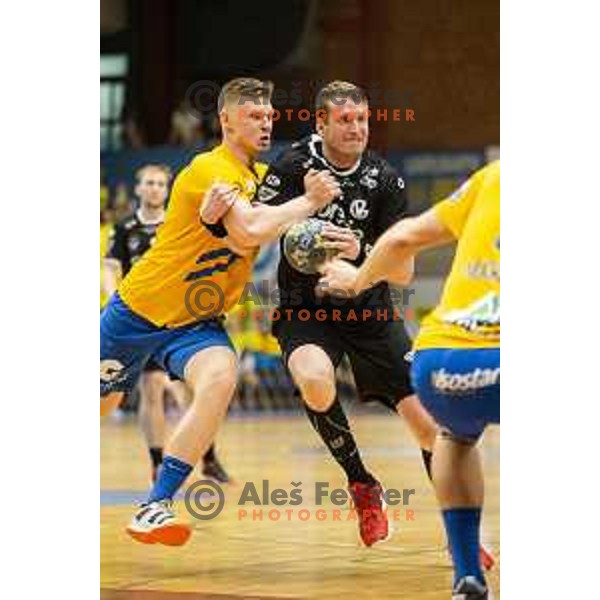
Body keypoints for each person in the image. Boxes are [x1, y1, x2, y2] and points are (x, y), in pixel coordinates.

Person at [100, 77, 341, 546]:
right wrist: (309, 200)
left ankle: (156, 503)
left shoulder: (255, 181)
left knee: (221, 376)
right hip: (140, 311)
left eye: (270, 116)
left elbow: (240, 236)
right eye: (254, 115)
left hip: (195, 321)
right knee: (101, 404)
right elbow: (249, 230)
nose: (266, 123)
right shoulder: (207, 167)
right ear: (226, 120)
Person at [203, 80, 440, 548]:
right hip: (304, 310)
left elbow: (405, 271)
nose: (356, 129)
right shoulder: (293, 166)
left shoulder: (385, 179)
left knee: (430, 428)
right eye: (345, 120)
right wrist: (223, 219)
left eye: (363, 120)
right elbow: (247, 234)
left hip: (370, 310)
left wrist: (363, 251)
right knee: (313, 379)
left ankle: (461, 528)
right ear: (322, 123)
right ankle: (362, 485)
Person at [319, 161, 500, 600]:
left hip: (440, 362)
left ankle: (467, 574)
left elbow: (401, 238)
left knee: (455, 438)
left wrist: (357, 279)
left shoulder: (494, 176)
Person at [103, 163, 230, 484]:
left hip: (180, 319)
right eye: (150, 182)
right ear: (138, 188)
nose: (156, 188)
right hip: (142, 320)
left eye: (161, 183)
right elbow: (109, 267)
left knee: (191, 391)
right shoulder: (125, 228)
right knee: (153, 388)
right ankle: (157, 462)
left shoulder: (180, 222)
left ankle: (209, 457)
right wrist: (116, 301)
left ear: (168, 188)